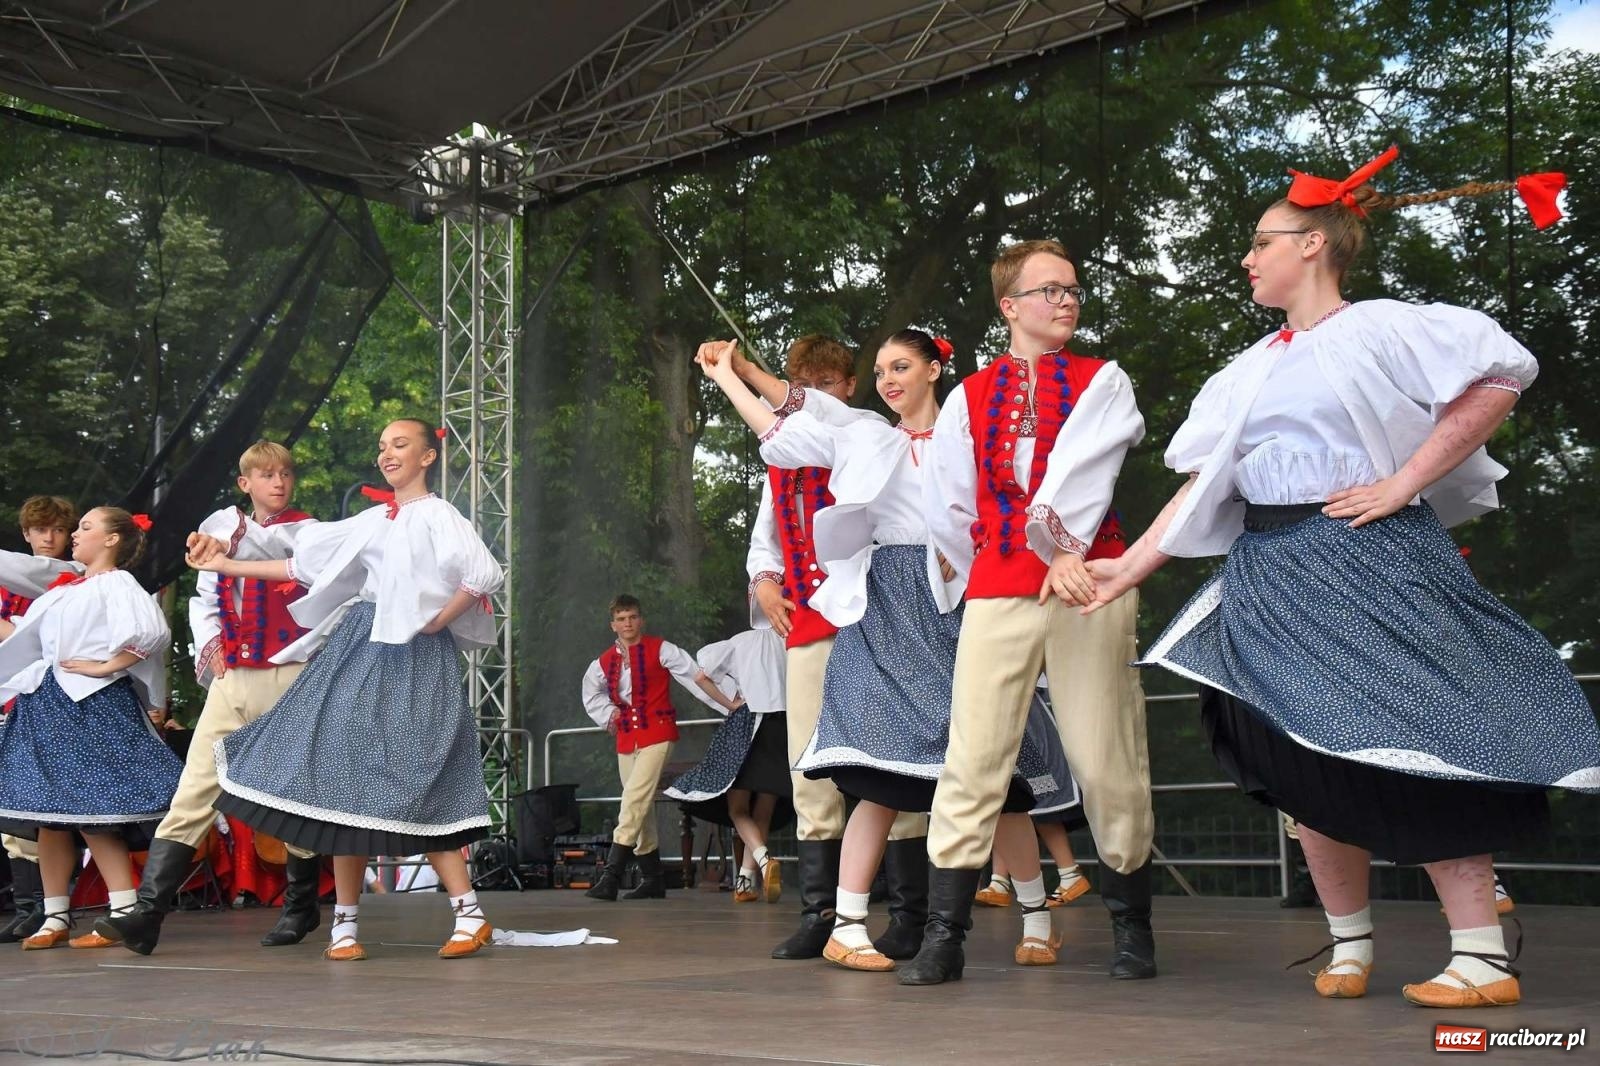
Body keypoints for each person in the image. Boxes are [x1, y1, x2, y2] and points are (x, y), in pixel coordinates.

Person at [1080, 146, 1598, 1008]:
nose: (1248, 258)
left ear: (1313, 245)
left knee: (1421, 738)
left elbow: (1501, 374)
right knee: (1291, 753)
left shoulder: (1384, 326)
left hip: (1368, 558)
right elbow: (1205, 487)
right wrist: (1126, 569)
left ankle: (1481, 955)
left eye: (1262, 242)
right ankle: (1349, 941)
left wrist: (1405, 481)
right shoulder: (1252, 369)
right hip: (1271, 576)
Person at [700, 331, 1070, 972]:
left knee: (996, 771)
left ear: (934, 369)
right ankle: (846, 924)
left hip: (958, 603)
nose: (889, 379)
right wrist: (728, 376)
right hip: (884, 608)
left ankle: (1038, 920)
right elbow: (785, 423)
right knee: (880, 771)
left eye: (901, 366)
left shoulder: (969, 432)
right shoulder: (867, 431)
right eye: (880, 370)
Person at [910, 239, 1153, 986]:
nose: (1067, 300)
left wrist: (1059, 551)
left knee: (1105, 753)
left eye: (1073, 288)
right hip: (1000, 586)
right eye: (1049, 290)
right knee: (973, 756)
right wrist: (1001, 555)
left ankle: (1132, 928)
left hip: (1089, 586)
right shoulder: (969, 395)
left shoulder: (1101, 380)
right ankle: (943, 935)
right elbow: (949, 507)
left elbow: (1087, 474)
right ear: (1009, 307)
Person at [184, 419, 506, 962]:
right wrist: (226, 563)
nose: (387, 453)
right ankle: (345, 926)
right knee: (341, 776)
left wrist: (435, 621)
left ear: (428, 457)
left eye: (400, 444)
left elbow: (482, 574)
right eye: (382, 446)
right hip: (358, 646)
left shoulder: (439, 514)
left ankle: (470, 914)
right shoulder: (374, 518)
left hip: (412, 653)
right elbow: (299, 563)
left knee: (414, 772)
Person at [738, 337, 932, 962]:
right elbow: (764, 541)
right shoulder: (782, 461)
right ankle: (821, 913)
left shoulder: (870, 431)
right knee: (806, 770)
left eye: (827, 382)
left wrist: (740, 374)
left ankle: (908, 915)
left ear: (848, 388)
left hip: (875, 620)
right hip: (810, 627)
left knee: (894, 762)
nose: (815, 393)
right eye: (805, 382)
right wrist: (765, 585)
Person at [96, 441, 324, 956]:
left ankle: (301, 904)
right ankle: (148, 915)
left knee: (292, 792)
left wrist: (218, 545)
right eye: (266, 475)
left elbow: (270, 549)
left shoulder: (309, 532)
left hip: (291, 674)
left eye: (286, 473)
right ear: (246, 483)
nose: (279, 482)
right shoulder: (222, 524)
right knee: (195, 787)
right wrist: (213, 645)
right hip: (233, 679)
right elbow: (206, 598)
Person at [0, 507, 182, 949]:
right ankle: (54, 915)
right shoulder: (67, 587)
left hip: (89, 706)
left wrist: (107, 667)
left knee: (94, 816)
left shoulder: (117, 584)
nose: (75, 535)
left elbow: (151, 632)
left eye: (85, 528)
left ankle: (122, 913)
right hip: (46, 703)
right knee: (49, 819)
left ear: (112, 540)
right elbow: (32, 636)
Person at [580, 595, 742, 901]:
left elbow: (696, 678)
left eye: (632, 617)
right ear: (613, 624)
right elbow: (591, 693)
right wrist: (608, 713)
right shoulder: (603, 662)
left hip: (658, 732)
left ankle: (611, 875)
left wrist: (729, 704)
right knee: (640, 806)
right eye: (621, 618)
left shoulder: (661, 649)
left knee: (633, 798)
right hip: (627, 737)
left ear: (641, 620)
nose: (627, 623)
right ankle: (653, 877)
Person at [664, 626, 793, 904]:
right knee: (764, 809)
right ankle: (745, 883)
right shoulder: (788, 637)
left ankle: (764, 859)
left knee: (737, 808)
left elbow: (701, 676)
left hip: (748, 724)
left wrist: (731, 704)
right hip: (785, 726)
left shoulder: (740, 641)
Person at [0, 495, 78, 945]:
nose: (49, 538)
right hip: (14, 699)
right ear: (26, 534)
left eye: (58, 530)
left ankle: (53, 908)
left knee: (65, 810)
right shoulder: (11, 579)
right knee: (17, 810)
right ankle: (33, 908)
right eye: (40, 530)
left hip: (65, 701)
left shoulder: (77, 577)